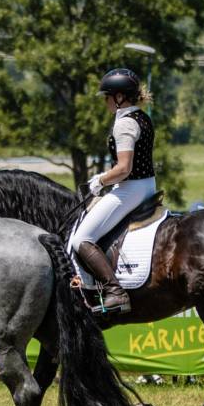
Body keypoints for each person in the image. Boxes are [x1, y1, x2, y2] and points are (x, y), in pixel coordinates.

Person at [66, 67, 157, 315]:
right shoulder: (142, 116)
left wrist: (101, 180)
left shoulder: (125, 124)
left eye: (107, 96)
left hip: (131, 188)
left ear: (119, 97)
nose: (105, 101)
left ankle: (114, 291)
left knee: (81, 239)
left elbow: (124, 168)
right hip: (147, 184)